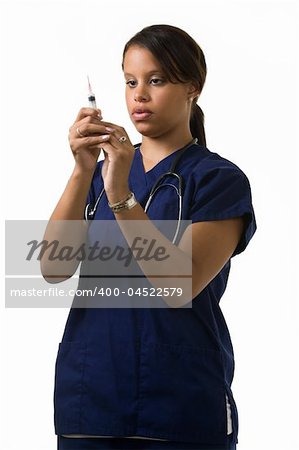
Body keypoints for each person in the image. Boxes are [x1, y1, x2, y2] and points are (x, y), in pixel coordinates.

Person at [42, 24, 256, 450]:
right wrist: (84, 169)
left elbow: (179, 284)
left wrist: (120, 194)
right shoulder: (100, 174)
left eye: (156, 80)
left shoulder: (218, 180)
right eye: (130, 81)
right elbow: (53, 267)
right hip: (91, 401)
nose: (139, 95)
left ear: (193, 87)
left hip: (179, 406)